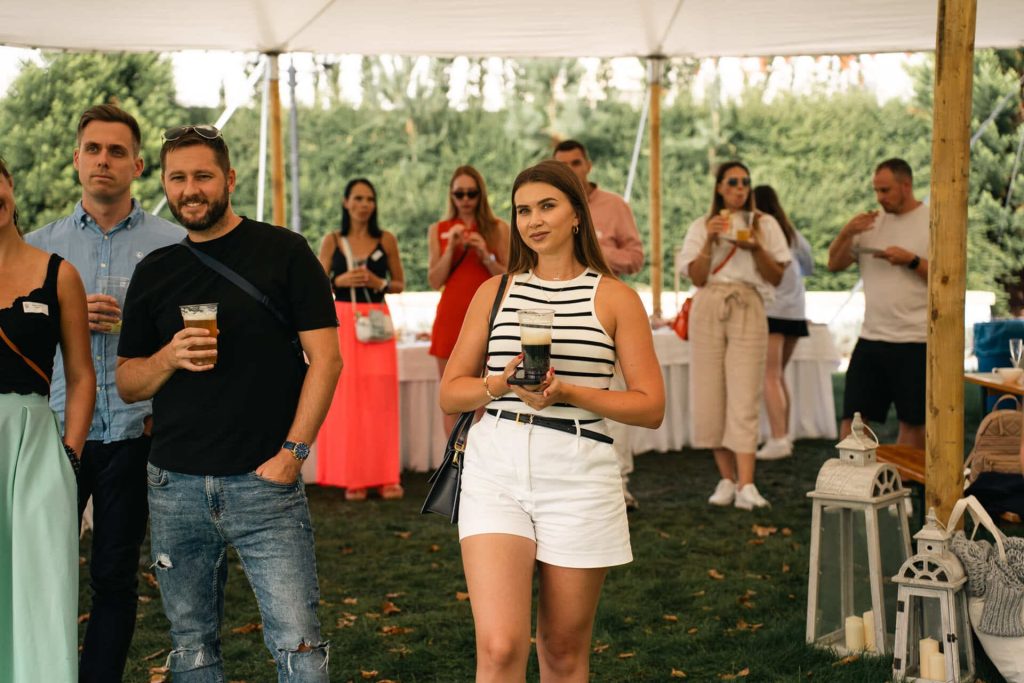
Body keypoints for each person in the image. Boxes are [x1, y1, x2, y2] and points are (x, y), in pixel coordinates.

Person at [115, 125, 341, 681]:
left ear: (230, 179)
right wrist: (168, 356)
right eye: (178, 178)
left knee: (299, 646)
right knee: (191, 648)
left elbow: (327, 360)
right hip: (175, 484)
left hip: (264, 482)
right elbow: (128, 383)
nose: (190, 189)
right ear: (163, 183)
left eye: (203, 176)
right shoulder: (155, 271)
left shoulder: (284, 252)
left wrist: (292, 454)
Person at [439, 160, 664, 680]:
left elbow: (651, 406)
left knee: (562, 653)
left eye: (547, 206)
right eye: (523, 210)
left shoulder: (615, 297)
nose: (533, 220)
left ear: (577, 215)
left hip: (580, 472)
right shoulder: (494, 291)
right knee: (500, 647)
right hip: (496, 466)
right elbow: (451, 393)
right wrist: (499, 384)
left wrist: (568, 392)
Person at [24, 104, 185, 681]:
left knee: (114, 576)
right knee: (41, 571)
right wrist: (63, 315)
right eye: (93, 149)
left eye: (117, 151)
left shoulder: (174, 244)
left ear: (138, 165)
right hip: (53, 433)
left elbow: (192, 331)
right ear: (76, 159)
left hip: (136, 432)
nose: (103, 160)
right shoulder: (37, 249)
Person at [0, 156, 95, 681]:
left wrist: (70, 458)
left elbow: (81, 376)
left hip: (35, 448)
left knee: (41, 587)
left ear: (10, 185)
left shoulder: (60, 274)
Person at [677, 161, 789, 510]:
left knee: (745, 392)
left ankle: (747, 484)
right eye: (733, 182)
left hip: (747, 302)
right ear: (720, 188)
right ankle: (726, 478)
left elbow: (777, 277)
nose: (740, 188)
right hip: (709, 303)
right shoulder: (702, 225)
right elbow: (697, 277)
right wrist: (710, 239)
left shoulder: (765, 224)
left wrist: (755, 247)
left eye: (745, 182)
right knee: (709, 393)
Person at [554, 138, 645, 510]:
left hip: (607, 310)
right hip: (560, 310)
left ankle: (619, 483)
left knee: (616, 395)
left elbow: (636, 258)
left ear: (588, 165)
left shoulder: (614, 206)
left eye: (575, 163)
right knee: (564, 393)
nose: (570, 171)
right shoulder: (550, 207)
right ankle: (570, 478)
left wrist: (597, 250)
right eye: (562, 165)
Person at [827, 158, 928, 449]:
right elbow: (834, 264)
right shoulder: (869, 224)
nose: (879, 198)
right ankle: (850, 477)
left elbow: (948, 277)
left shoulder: (931, 221)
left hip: (915, 339)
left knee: (913, 422)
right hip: (872, 337)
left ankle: (905, 477)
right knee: (853, 419)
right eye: (876, 190)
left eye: (885, 190)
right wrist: (847, 232)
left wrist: (911, 260)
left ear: (906, 186)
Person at [316, 178, 405, 501]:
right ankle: (353, 476)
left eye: (369, 199)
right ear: (346, 202)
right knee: (348, 401)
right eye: (357, 198)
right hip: (344, 320)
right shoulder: (332, 240)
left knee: (381, 400)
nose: (364, 204)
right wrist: (338, 280)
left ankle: (385, 476)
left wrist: (377, 282)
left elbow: (399, 284)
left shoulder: (386, 239)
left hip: (377, 320)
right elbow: (316, 285)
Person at [428, 165, 509, 433]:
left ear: (480, 194)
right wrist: (451, 248)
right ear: (451, 195)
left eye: (471, 193)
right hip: (450, 318)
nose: (465, 200)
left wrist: (486, 255)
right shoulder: (439, 229)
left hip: (488, 320)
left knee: (485, 396)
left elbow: (510, 278)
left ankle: (481, 455)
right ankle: (452, 457)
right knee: (451, 397)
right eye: (459, 194)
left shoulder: (498, 228)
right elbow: (434, 280)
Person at [751, 185, 813, 461]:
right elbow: (809, 267)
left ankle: (779, 438)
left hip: (772, 309)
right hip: (795, 310)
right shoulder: (794, 235)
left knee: (769, 375)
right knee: (777, 375)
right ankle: (784, 435)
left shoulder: (762, 233)